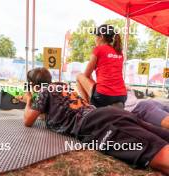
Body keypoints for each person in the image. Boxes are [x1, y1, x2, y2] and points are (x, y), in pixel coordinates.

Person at [22, 67, 169, 174]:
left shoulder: (43, 91)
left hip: (97, 124)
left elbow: (28, 120)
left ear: (34, 85)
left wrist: (28, 100)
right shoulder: (62, 87)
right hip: (108, 114)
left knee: (163, 159)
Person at [76, 24, 127, 108]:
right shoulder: (119, 52)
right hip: (122, 96)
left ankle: (88, 108)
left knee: (79, 76)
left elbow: (86, 75)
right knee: (97, 85)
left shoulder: (98, 50)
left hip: (104, 96)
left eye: (96, 36)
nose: (95, 39)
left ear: (101, 36)